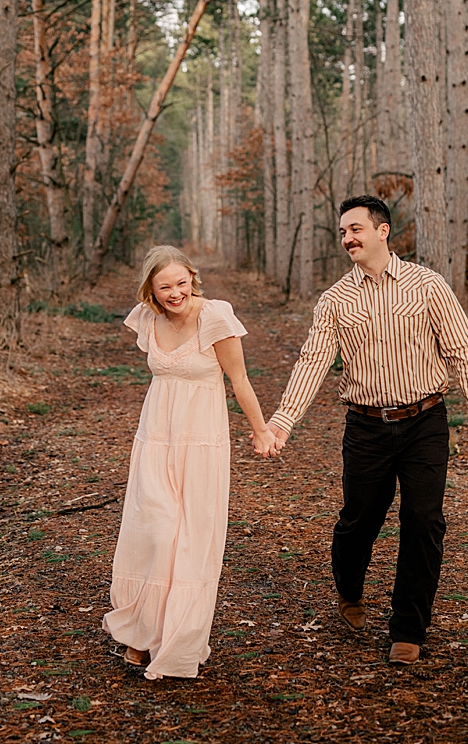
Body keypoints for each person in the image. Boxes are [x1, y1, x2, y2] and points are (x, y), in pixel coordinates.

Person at [264, 195, 468, 665]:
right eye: (343, 232)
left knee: (423, 523)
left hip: (425, 421)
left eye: (356, 229)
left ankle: (408, 628)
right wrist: (281, 423)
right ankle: (349, 589)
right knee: (358, 522)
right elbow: (313, 363)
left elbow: (462, 353)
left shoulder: (427, 285)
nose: (348, 238)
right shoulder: (334, 300)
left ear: (382, 231)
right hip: (366, 427)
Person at [103, 246, 278, 679]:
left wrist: (260, 430)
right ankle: (142, 632)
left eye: (182, 283)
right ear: (152, 290)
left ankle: (176, 638)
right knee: (156, 532)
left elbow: (239, 380)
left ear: (192, 279)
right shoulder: (147, 318)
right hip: (156, 437)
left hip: (201, 440)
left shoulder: (215, 316)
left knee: (190, 539)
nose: (175, 293)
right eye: (165, 287)